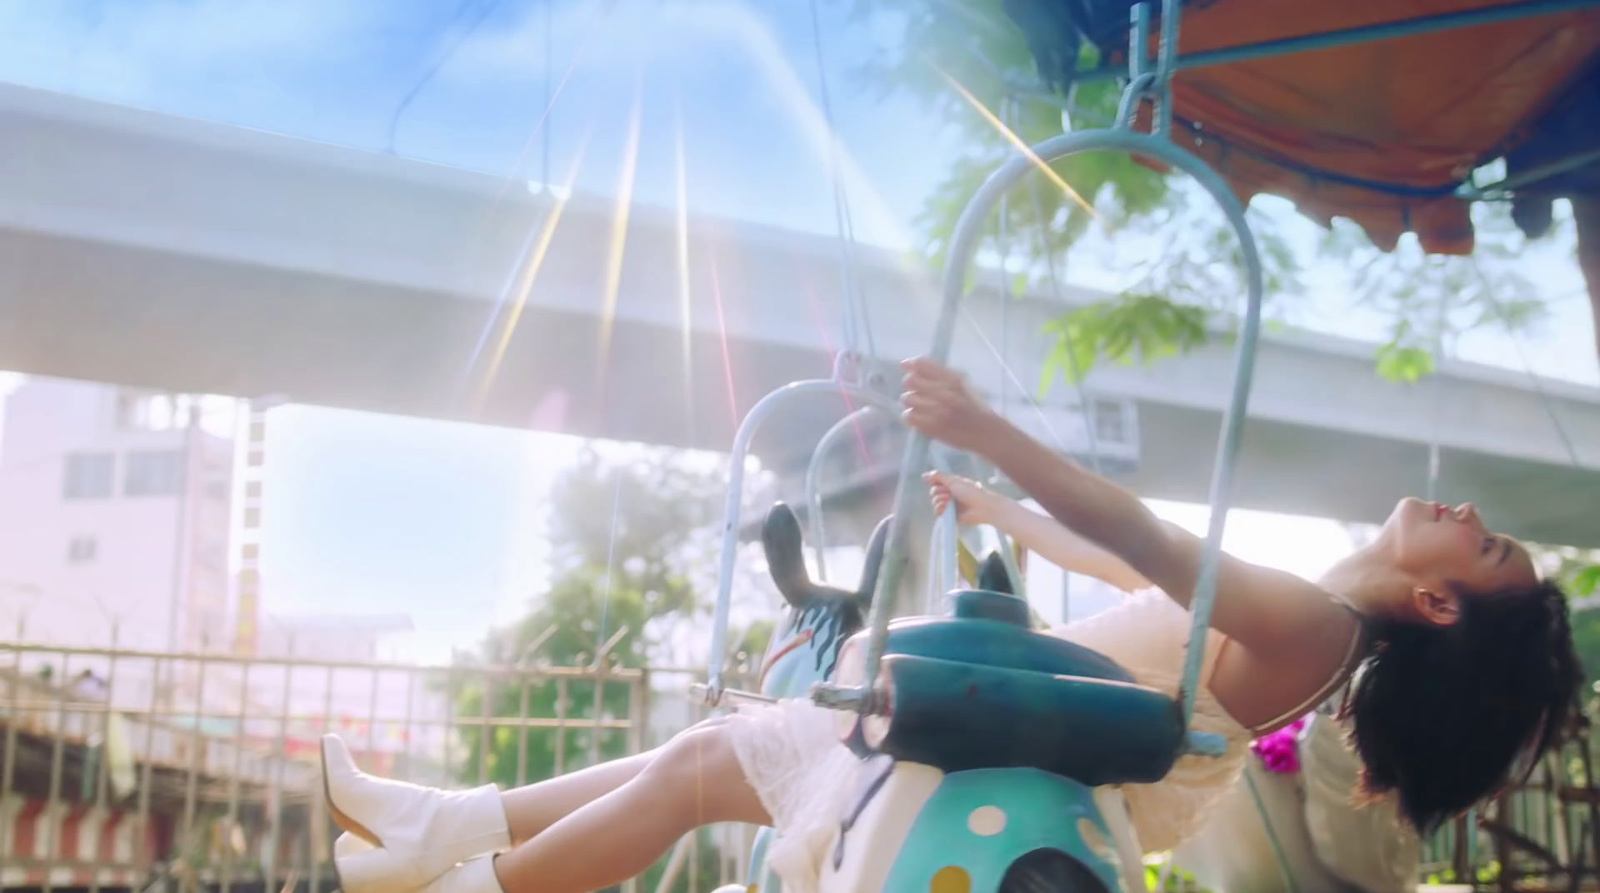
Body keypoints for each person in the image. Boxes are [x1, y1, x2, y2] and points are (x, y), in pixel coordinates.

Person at [319, 357, 1582, 893]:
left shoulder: (1310, 625)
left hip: (1002, 755)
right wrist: (1010, 510)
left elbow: (1151, 541)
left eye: (1481, 542)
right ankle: (450, 830)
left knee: (698, 766)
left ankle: (470, 869)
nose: (1466, 509)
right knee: (698, 758)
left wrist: (993, 431)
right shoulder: (1297, 607)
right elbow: (1131, 566)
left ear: (1437, 599)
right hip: (1005, 733)